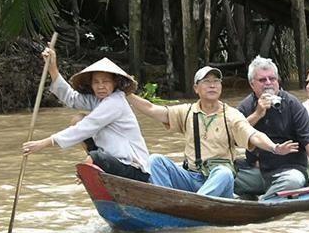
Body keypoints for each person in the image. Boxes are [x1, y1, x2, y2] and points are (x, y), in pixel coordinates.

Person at [126, 65, 298, 198]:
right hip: (192, 176)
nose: (212, 86)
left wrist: (275, 148)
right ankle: (165, 201)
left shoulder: (230, 114)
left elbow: (254, 135)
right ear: (196, 88)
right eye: (206, 82)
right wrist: (126, 93)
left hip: (217, 180)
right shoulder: (186, 112)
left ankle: (195, 205)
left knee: (224, 172)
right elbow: (151, 109)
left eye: (216, 82)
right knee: (156, 160)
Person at [21, 49, 150, 182]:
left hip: (133, 168)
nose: (100, 86)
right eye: (96, 82)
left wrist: (43, 143)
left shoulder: (115, 102)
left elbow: (85, 127)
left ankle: (92, 167)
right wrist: (52, 68)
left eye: (105, 81)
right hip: (113, 159)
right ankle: (93, 167)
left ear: (115, 83)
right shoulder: (98, 100)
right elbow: (71, 98)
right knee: (77, 119)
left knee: (94, 157)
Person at [235, 57, 309, 200]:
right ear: (252, 84)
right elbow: (234, 138)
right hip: (256, 172)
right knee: (225, 177)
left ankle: (261, 204)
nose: (268, 83)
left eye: (272, 79)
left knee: (293, 181)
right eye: (262, 80)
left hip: (288, 171)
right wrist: (257, 114)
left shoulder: (292, 104)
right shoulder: (246, 106)